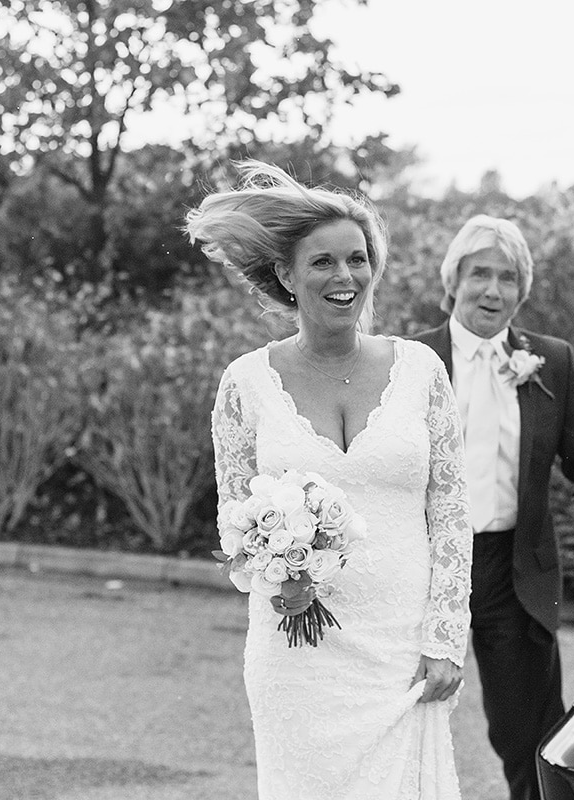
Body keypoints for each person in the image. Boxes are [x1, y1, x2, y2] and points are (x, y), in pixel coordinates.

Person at [188, 161, 472, 800]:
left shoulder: (422, 369)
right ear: (287, 275)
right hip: (298, 660)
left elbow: (451, 509)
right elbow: (235, 523)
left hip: (404, 653)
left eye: (357, 259)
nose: (346, 277)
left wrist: (446, 636)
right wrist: (276, 577)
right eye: (324, 262)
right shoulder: (245, 384)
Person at [412, 215, 574, 800]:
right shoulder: (409, 361)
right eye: (479, 274)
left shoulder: (550, 361)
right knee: (401, 720)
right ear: (453, 279)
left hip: (513, 571)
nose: (493, 290)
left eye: (508, 278)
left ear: (522, 290)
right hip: (422, 569)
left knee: (530, 738)